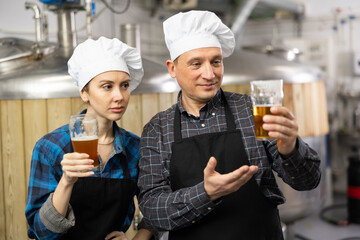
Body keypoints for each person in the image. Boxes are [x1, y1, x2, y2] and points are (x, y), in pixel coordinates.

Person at [137, 10, 321, 240]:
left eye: (216, 62)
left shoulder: (252, 110)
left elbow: (308, 181)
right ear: (172, 69)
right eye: (196, 64)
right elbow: (153, 210)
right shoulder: (158, 129)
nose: (209, 73)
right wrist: (205, 193)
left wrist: (290, 148)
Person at [25, 37, 153, 240]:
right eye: (107, 86)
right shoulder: (51, 147)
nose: (119, 96)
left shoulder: (135, 148)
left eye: (125, 85)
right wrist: (67, 181)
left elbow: (156, 209)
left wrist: (138, 238)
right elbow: (42, 232)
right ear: (85, 92)